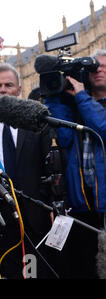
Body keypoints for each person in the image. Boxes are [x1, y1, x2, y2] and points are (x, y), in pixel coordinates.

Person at [44, 49, 106, 278]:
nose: (99, 70)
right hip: (82, 204)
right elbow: (64, 136)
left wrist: (81, 96)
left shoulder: (84, 102)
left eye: (104, 67)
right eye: (95, 66)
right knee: (84, 267)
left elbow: (102, 128)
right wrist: (55, 96)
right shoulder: (77, 106)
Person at [0, 63, 52, 279]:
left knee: (33, 272)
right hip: (0, 222)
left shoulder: (37, 124)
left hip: (35, 219)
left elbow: (48, 167)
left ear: (19, 89)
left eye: (9, 85)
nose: (3, 90)